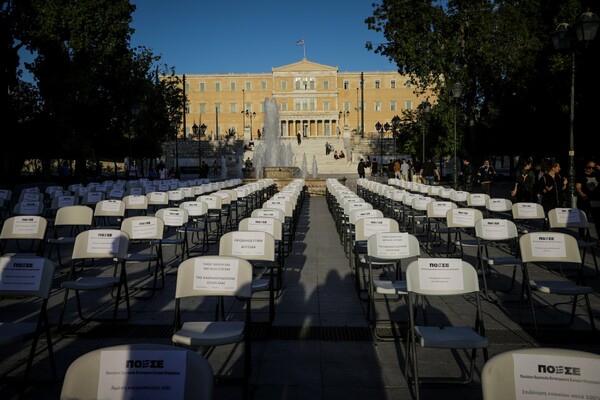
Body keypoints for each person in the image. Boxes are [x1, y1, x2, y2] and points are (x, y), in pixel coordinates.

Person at [575, 160, 600, 244]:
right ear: (585, 167)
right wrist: (582, 194)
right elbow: (578, 187)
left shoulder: (597, 175)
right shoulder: (581, 175)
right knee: (583, 219)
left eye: (593, 167)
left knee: (597, 220)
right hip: (584, 200)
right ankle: (582, 236)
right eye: (589, 167)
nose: (591, 169)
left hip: (595, 201)